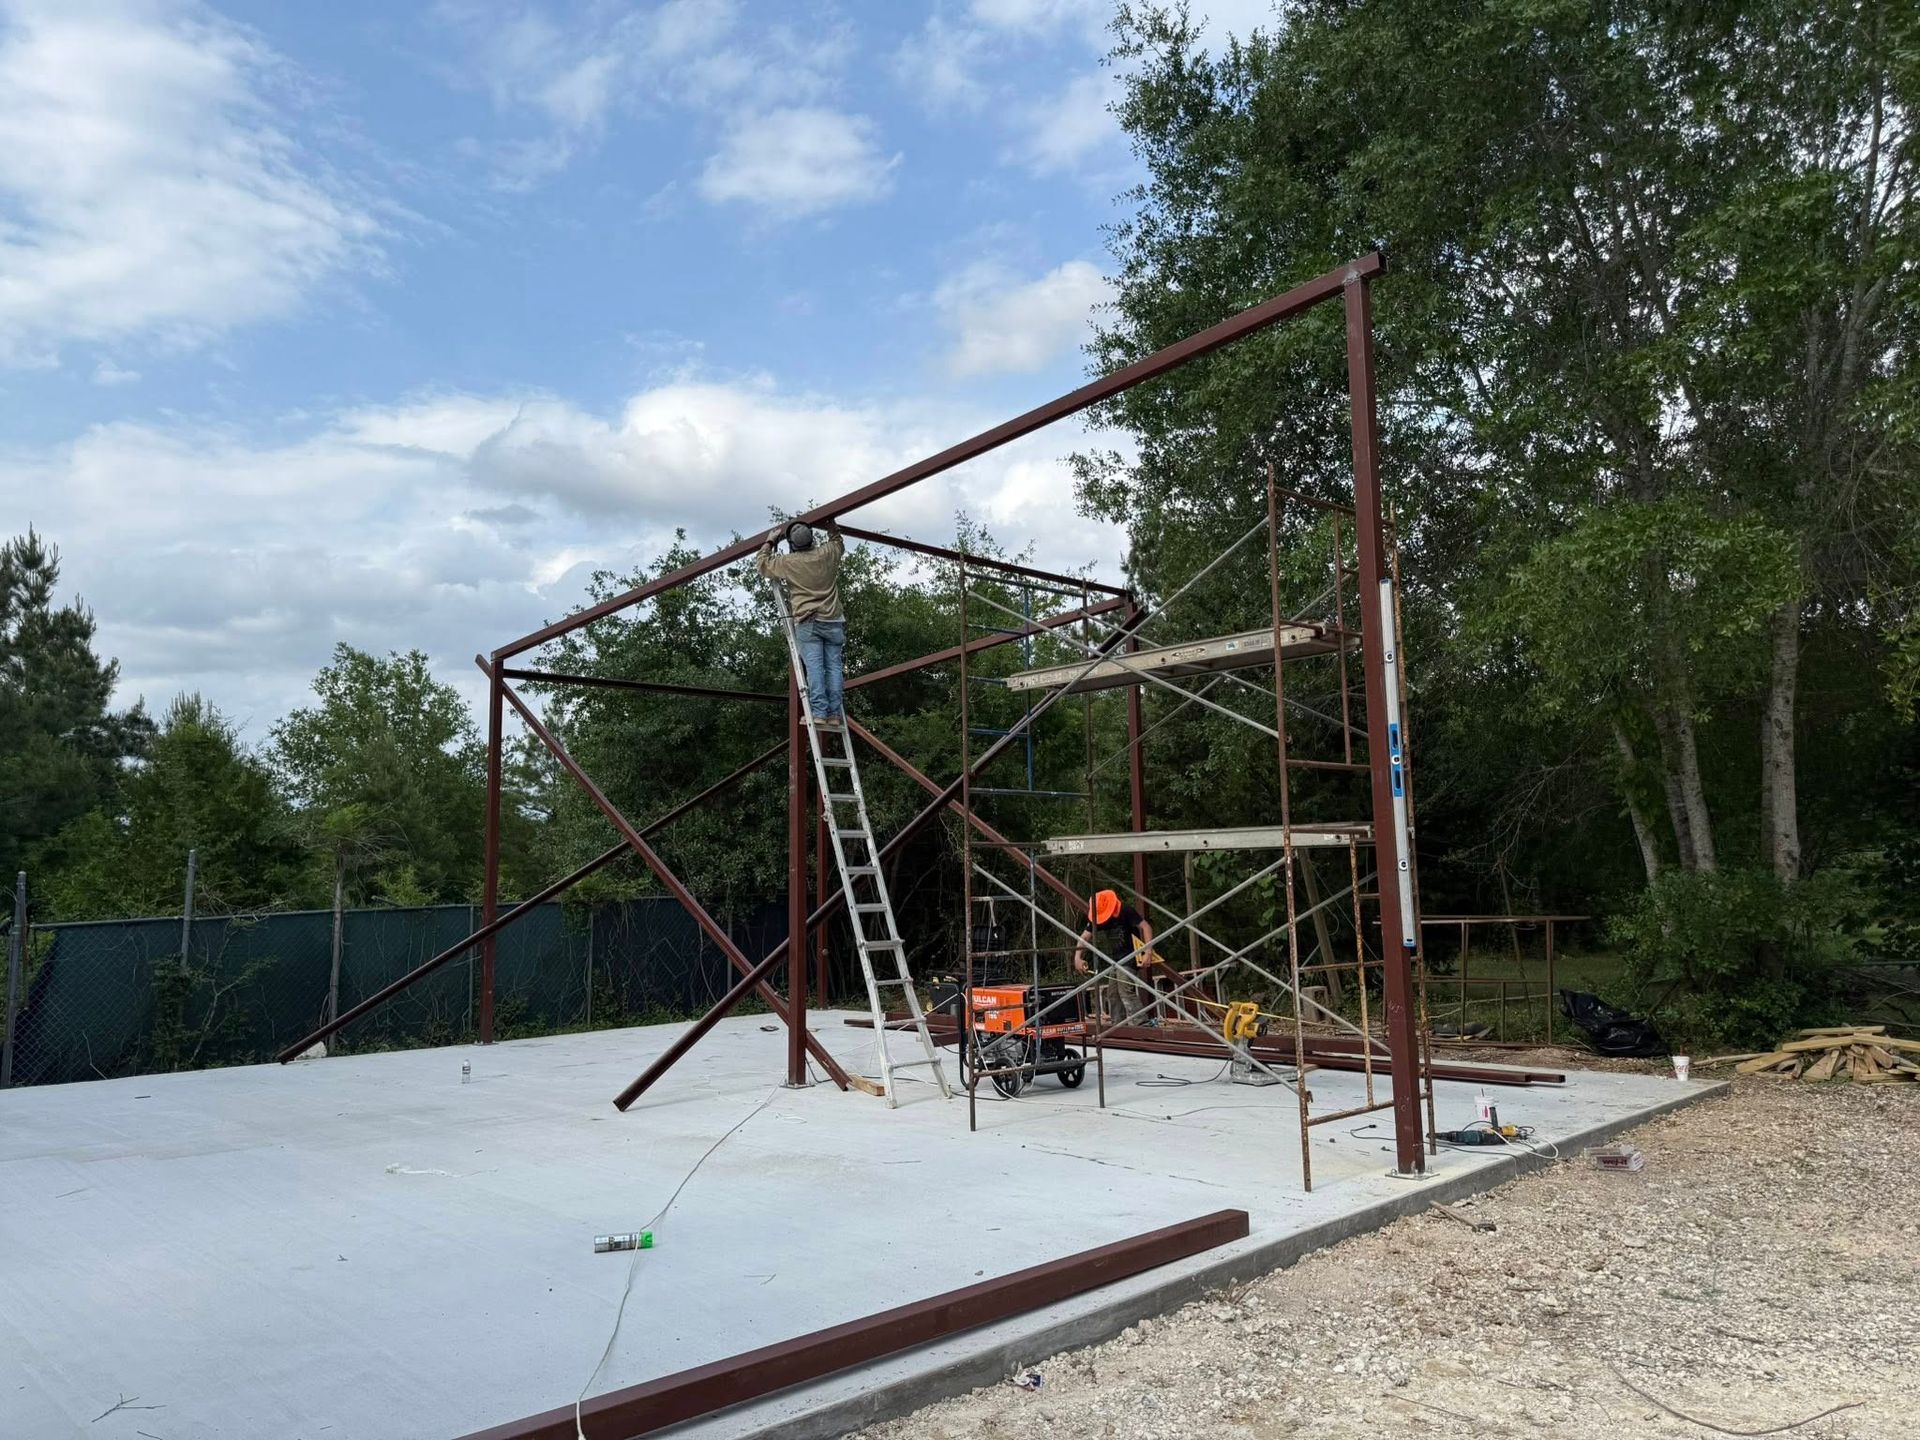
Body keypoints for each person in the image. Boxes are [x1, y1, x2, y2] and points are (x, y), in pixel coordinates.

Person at [756, 518, 846, 725]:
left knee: (814, 668)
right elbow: (837, 541)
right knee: (833, 668)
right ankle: (833, 714)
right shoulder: (827, 553)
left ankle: (819, 713)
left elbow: (762, 564)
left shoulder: (789, 562)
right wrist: (831, 524)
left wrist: (769, 542)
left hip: (808, 622)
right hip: (834, 620)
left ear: (792, 544)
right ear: (812, 538)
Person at [1072, 888, 1183, 1025]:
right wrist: (1077, 957)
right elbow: (1084, 937)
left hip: (1131, 956)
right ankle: (1118, 1024)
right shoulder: (1098, 918)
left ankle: (1141, 1023)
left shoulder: (1125, 911)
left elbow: (1146, 927)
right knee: (1112, 993)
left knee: (1124, 989)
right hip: (1115, 959)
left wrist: (1148, 952)